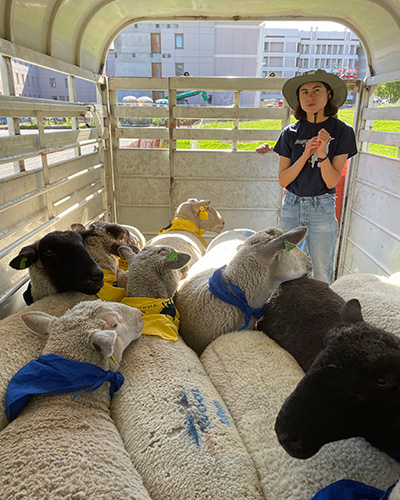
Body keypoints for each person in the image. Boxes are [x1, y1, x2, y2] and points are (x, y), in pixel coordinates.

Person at [256, 69, 357, 283]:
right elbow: (284, 180)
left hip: (322, 209)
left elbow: (331, 181)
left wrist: (322, 153)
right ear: (298, 98)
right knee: (285, 267)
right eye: (304, 92)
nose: (310, 97)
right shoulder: (289, 132)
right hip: (292, 207)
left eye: (316, 90)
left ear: (328, 94)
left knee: (321, 271)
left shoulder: (343, 131)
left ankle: (324, 316)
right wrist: (304, 155)